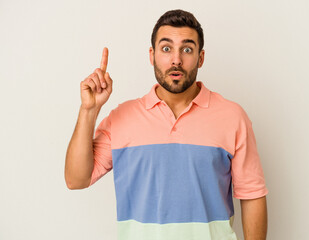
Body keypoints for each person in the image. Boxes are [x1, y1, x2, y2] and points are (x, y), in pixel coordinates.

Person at [65, 9, 268, 240]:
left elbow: (252, 195)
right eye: (166, 48)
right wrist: (89, 110)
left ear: (200, 58)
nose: (176, 59)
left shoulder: (233, 117)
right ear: (152, 55)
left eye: (187, 49)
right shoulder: (121, 118)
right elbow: (76, 179)